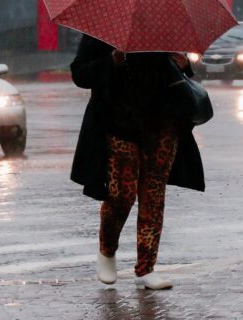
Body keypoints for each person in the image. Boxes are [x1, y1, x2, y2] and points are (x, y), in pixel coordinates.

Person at [69, 34, 205, 290]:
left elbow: (178, 75)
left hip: (162, 122)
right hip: (118, 122)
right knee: (122, 195)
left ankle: (146, 269)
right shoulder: (103, 30)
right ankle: (107, 251)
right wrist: (112, 61)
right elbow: (80, 74)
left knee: (153, 195)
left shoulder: (162, 26)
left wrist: (184, 64)